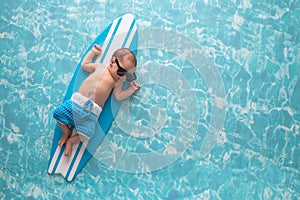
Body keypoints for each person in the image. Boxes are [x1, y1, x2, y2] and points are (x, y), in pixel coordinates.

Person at [53, 44, 140, 156]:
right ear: (113, 61)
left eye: (128, 76)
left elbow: (118, 96)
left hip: (92, 112)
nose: (123, 78)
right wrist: (92, 53)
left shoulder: (117, 82)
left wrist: (131, 89)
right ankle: (66, 131)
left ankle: (71, 140)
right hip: (77, 102)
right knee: (58, 114)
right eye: (122, 72)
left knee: (87, 134)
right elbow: (85, 65)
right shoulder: (99, 67)